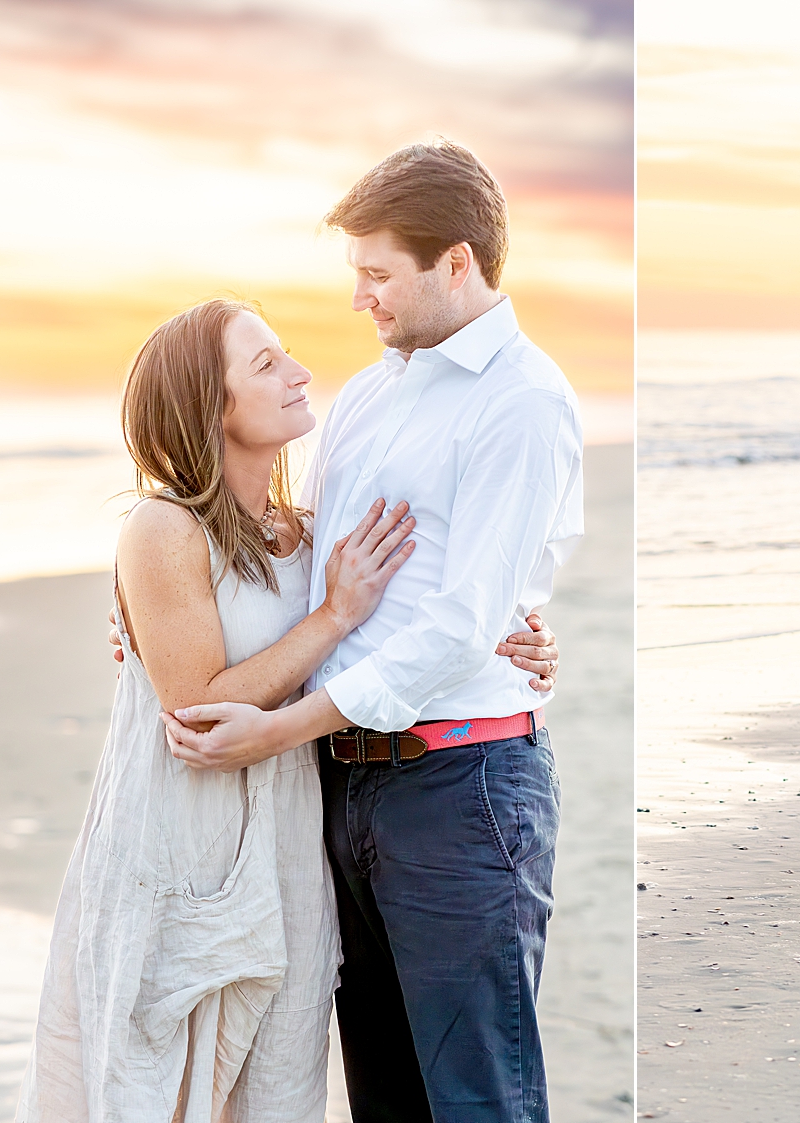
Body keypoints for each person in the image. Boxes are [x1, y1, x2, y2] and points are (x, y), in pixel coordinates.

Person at [17, 299, 557, 1121]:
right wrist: (332, 615)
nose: (298, 372)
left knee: (267, 1086)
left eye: (287, 354)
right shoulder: (162, 528)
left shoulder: (306, 536)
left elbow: (431, 615)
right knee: (155, 1081)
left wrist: (518, 636)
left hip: (289, 847)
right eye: (264, 364)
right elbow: (198, 706)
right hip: (176, 845)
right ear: (209, 404)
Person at [161, 141, 584, 1122]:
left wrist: (279, 727)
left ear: (456, 264)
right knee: (384, 1095)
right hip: (346, 784)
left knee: (475, 1095)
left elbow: (462, 624)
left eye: (378, 273)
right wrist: (160, 591)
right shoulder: (370, 394)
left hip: (461, 789)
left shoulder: (522, 399)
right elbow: (306, 563)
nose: (360, 298)